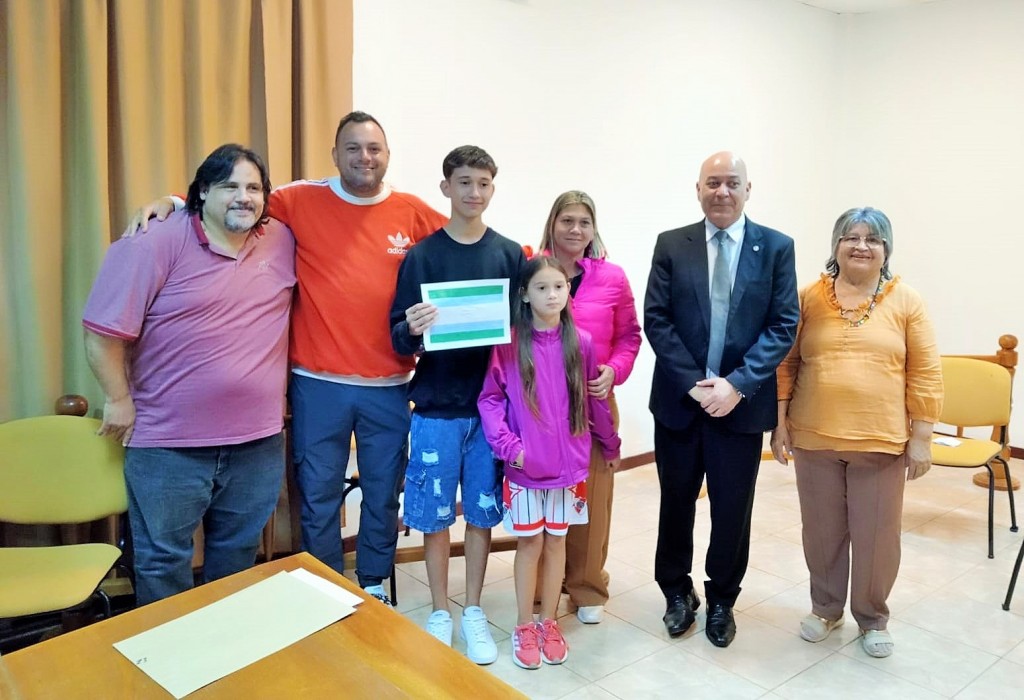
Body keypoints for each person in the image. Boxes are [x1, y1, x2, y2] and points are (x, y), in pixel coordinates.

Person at [129, 112, 447, 604]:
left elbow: (466, 241)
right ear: (335, 155)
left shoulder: (413, 211)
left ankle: (373, 585)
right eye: (353, 148)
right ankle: (325, 588)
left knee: (383, 495)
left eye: (374, 149)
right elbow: (234, 200)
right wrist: (173, 201)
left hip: (389, 386)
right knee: (317, 497)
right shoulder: (299, 199)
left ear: (388, 155)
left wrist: (534, 269)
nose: (364, 157)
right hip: (317, 384)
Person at [83, 144, 296, 605]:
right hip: (168, 445)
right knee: (163, 562)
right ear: (201, 192)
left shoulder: (281, 239)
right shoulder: (150, 242)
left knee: (237, 556)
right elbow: (101, 334)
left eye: (253, 188)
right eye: (229, 187)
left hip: (257, 444)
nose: (243, 197)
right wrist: (117, 398)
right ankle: (168, 651)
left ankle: (224, 646)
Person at [771, 207, 942, 658]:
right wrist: (780, 423)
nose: (861, 246)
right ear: (836, 245)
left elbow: (925, 371)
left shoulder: (907, 300)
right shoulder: (808, 297)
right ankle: (826, 609)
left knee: (877, 538)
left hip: (881, 441)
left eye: (873, 239)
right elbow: (786, 363)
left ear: (886, 249)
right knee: (822, 532)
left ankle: (872, 617)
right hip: (814, 436)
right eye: (851, 237)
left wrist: (922, 437)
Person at [644, 151, 799, 647]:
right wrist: (693, 382)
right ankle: (676, 592)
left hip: (740, 406)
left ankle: (722, 600)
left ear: (748, 190)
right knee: (676, 503)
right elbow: (657, 319)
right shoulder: (673, 244)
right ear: (698, 189)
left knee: (732, 510)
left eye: (732, 182)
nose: (722, 192)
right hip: (679, 403)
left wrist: (737, 384)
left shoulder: (776, 247)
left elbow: (783, 325)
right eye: (712, 182)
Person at [389, 145, 525, 662]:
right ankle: (439, 610)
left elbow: (523, 332)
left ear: (493, 188)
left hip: (491, 412)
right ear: (446, 187)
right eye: (465, 182)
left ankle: (473, 609)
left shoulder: (509, 255)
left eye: (484, 183)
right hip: (436, 408)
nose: (474, 192)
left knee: (482, 514)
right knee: (433, 516)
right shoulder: (422, 256)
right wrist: (413, 328)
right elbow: (397, 335)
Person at [478, 257, 621, 670]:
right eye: (541, 288)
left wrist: (610, 443)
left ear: (568, 290)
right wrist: (512, 449)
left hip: (569, 470)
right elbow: (490, 400)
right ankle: (524, 625)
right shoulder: (507, 343)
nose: (552, 295)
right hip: (525, 470)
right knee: (530, 544)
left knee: (557, 542)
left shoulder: (582, 342)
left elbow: (594, 400)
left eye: (559, 286)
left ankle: (548, 622)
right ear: (525, 294)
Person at [536, 191, 641, 624]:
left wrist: (615, 370)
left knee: (592, 499)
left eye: (584, 222)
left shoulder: (612, 277)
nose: (575, 230)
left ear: (594, 228)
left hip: (594, 404)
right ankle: (542, 585)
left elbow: (629, 336)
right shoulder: (533, 271)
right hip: (541, 407)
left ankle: (586, 586)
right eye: (567, 221)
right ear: (552, 224)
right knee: (543, 497)